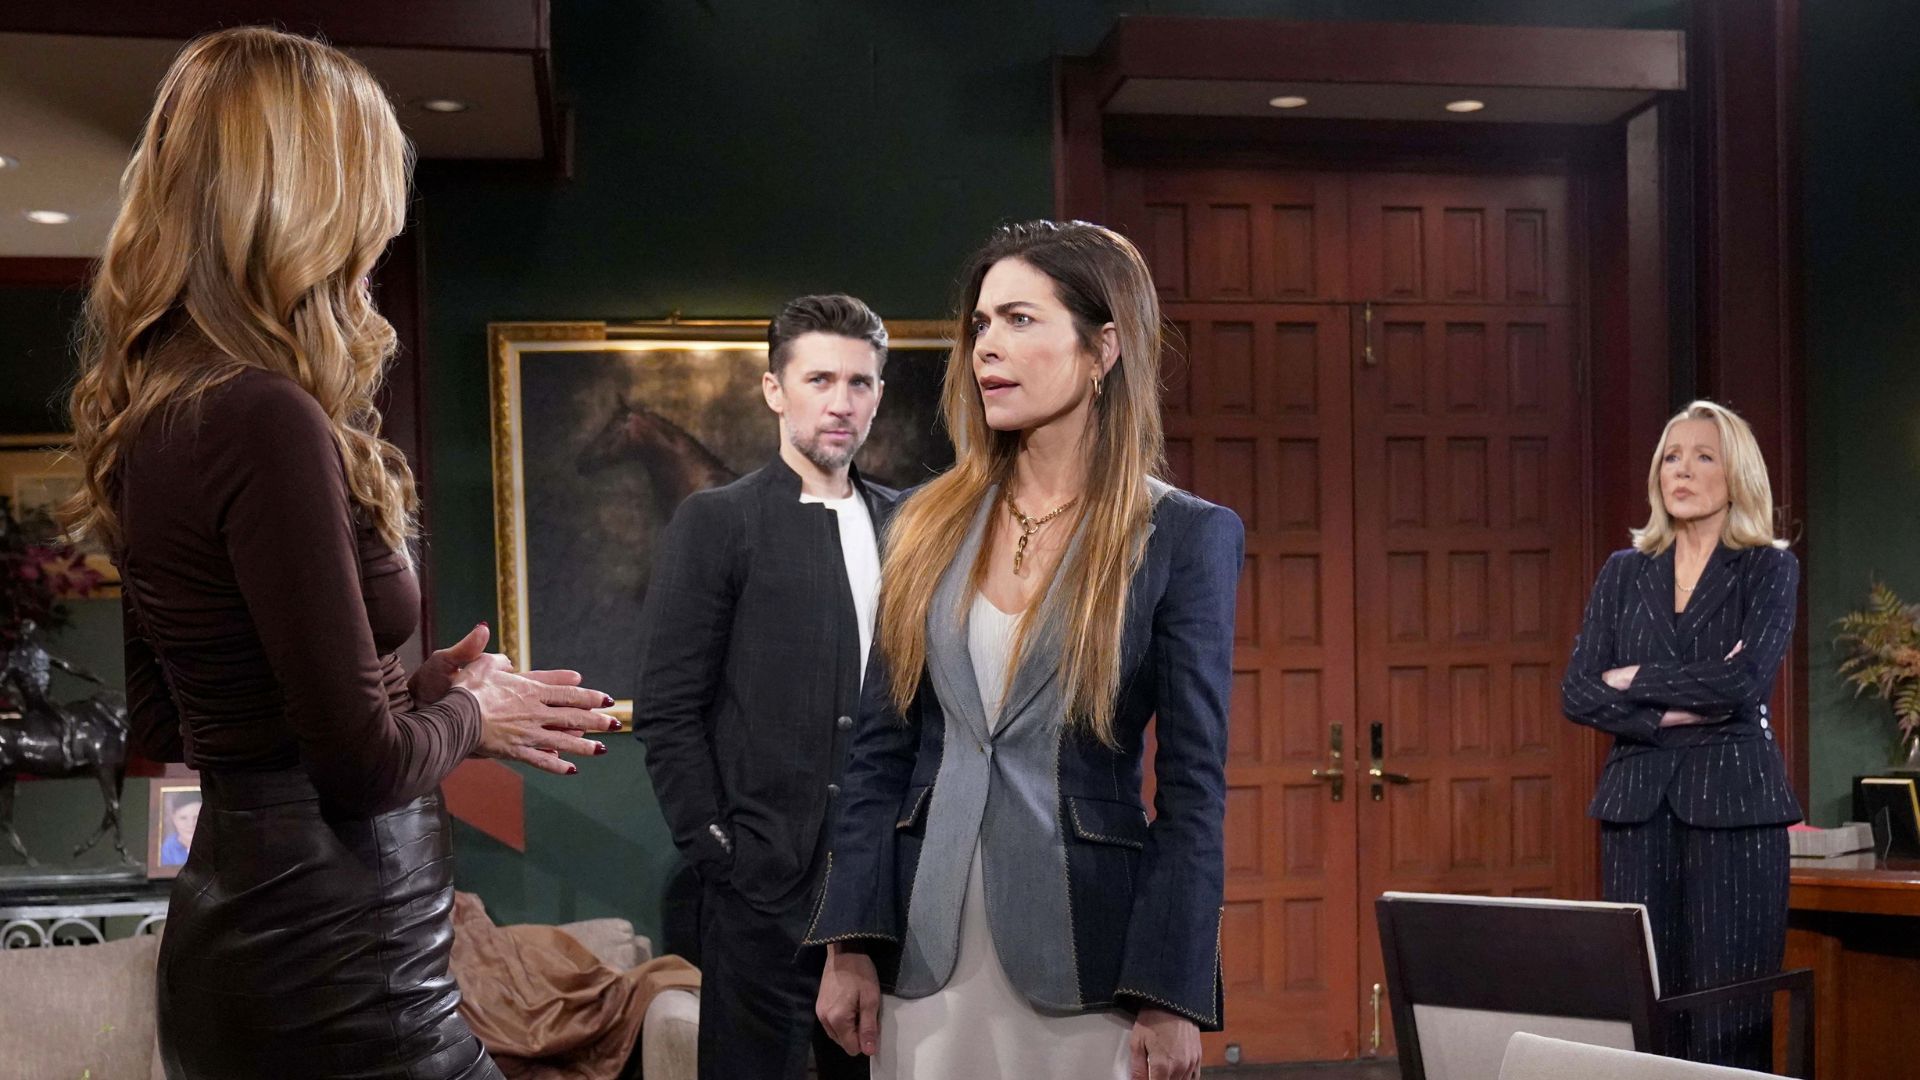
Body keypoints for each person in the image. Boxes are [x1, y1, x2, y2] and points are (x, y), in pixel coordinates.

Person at [62, 27, 617, 1079]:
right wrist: (473, 712)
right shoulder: (265, 415)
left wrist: (414, 692)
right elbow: (362, 769)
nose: (382, 229)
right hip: (348, 980)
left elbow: (176, 720)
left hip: (238, 961)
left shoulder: (154, 413)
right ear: (314, 198)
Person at [808, 221, 1242, 1080]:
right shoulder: (922, 523)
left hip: (1089, 959)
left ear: (1102, 349)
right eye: (980, 324)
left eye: (1018, 320)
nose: (986, 348)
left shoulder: (1183, 537)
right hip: (922, 952)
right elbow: (878, 756)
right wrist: (848, 944)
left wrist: (1172, 992)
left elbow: (1194, 790)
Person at [632, 294, 898, 1080]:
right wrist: (722, 853)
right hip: (759, 893)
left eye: (859, 382)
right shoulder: (717, 521)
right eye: (820, 380)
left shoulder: (913, 523)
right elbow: (667, 711)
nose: (841, 402)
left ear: (878, 393)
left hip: (885, 893)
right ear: (775, 390)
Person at [1561, 400, 1801, 1069]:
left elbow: (1743, 682)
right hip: (1636, 809)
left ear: (1737, 474)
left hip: (1736, 810)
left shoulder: (1767, 568)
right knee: (1643, 1010)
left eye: (1702, 456)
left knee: (1730, 1016)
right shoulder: (1624, 571)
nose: (1682, 470)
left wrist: (1634, 677)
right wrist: (1670, 709)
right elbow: (1577, 691)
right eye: (1671, 457)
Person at [159, 793, 199, 866]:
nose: (190, 824)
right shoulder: (168, 849)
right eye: (183, 818)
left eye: (197, 817)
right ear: (174, 819)